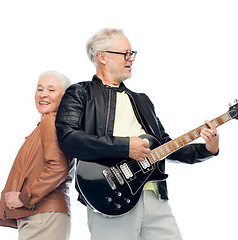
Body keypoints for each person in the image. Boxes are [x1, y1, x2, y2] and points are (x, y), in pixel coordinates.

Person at [55, 28, 219, 240]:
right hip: (110, 197)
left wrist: (207, 149)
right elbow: (68, 139)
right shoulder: (81, 92)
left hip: (155, 197)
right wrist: (124, 147)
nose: (131, 59)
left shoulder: (142, 100)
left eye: (132, 54)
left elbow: (165, 146)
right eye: (125, 53)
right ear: (101, 57)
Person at [0, 71, 74, 240]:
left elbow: (58, 167)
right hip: (41, 215)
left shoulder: (51, 121)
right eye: (40, 89)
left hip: (43, 215)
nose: (43, 94)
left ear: (65, 97)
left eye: (51, 90)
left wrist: (24, 197)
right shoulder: (48, 124)